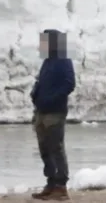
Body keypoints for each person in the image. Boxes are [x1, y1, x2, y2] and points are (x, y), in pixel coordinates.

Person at [30, 29, 76, 201]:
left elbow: (69, 83)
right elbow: (41, 81)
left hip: (55, 112)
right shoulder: (48, 61)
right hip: (41, 111)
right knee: (45, 149)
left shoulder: (63, 60)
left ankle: (61, 186)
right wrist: (35, 93)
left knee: (56, 148)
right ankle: (50, 183)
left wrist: (51, 99)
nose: (41, 45)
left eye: (44, 41)